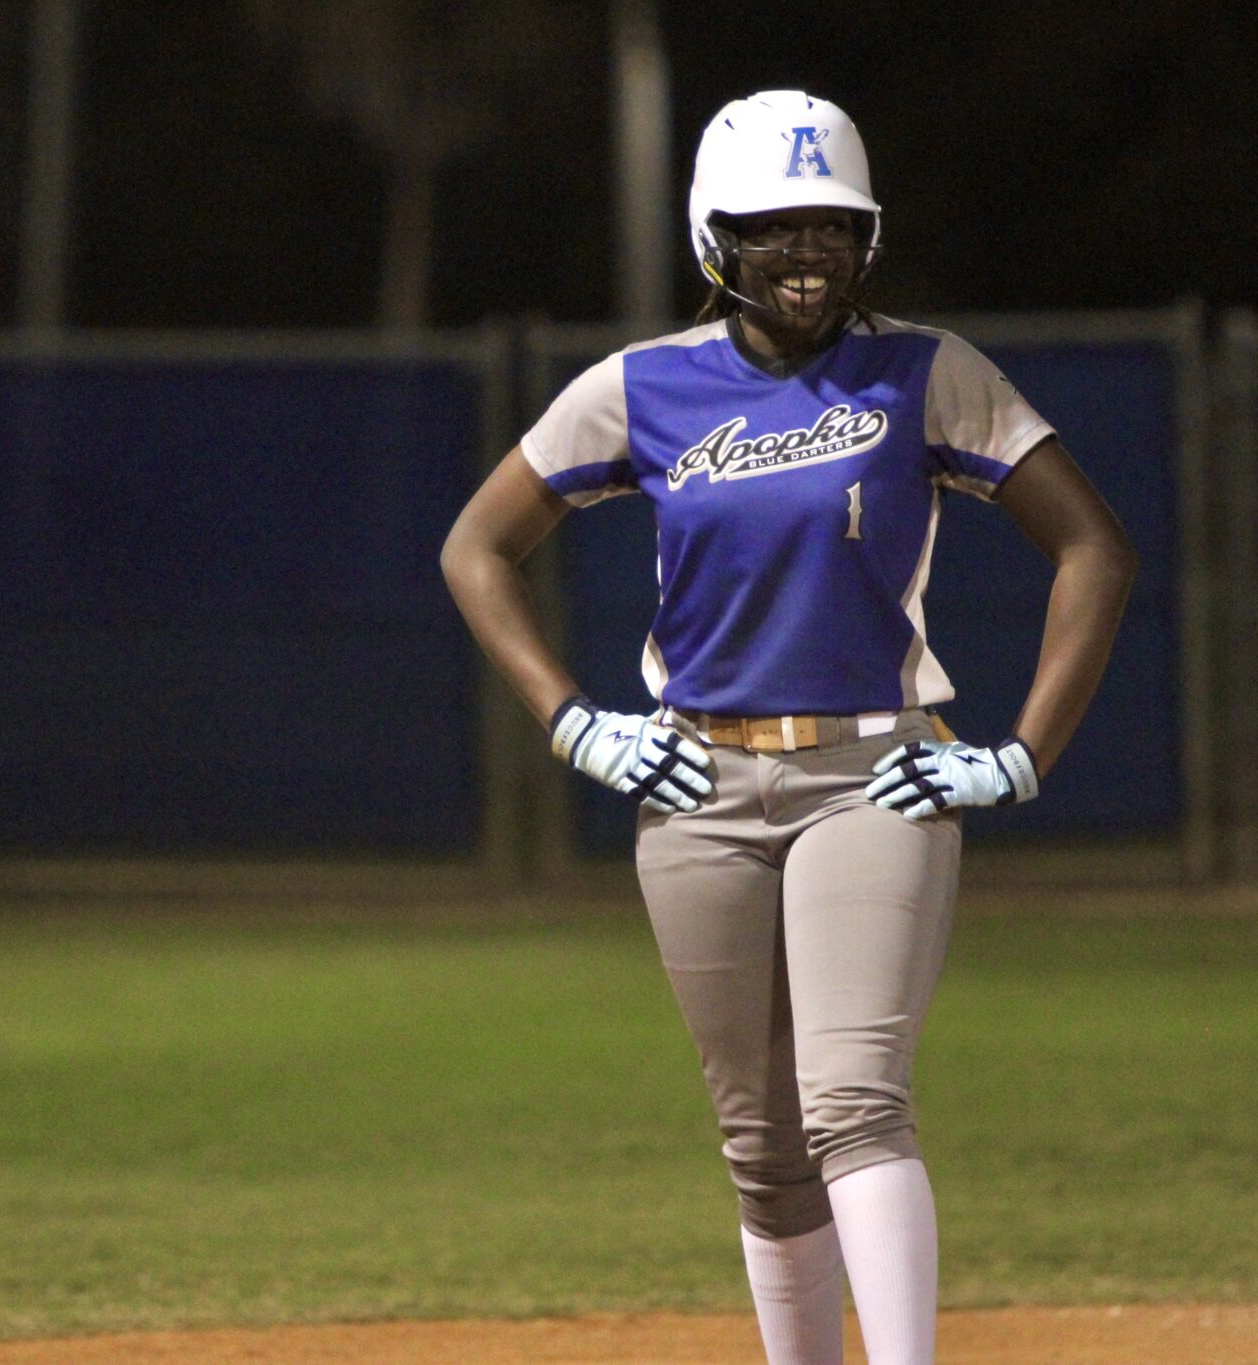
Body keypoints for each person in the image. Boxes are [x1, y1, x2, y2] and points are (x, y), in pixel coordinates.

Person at [441, 92, 1135, 1365]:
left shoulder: (925, 372)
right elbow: (476, 547)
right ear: (713, 238)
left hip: (876, 779)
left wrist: (1022, 755)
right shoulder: (639, 387)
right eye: (770, 229)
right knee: (759, 1146)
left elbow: (1092, 546)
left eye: (830, 224)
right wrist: (572, 723)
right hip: (691, 786)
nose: (804, 252)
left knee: (854, 1104)